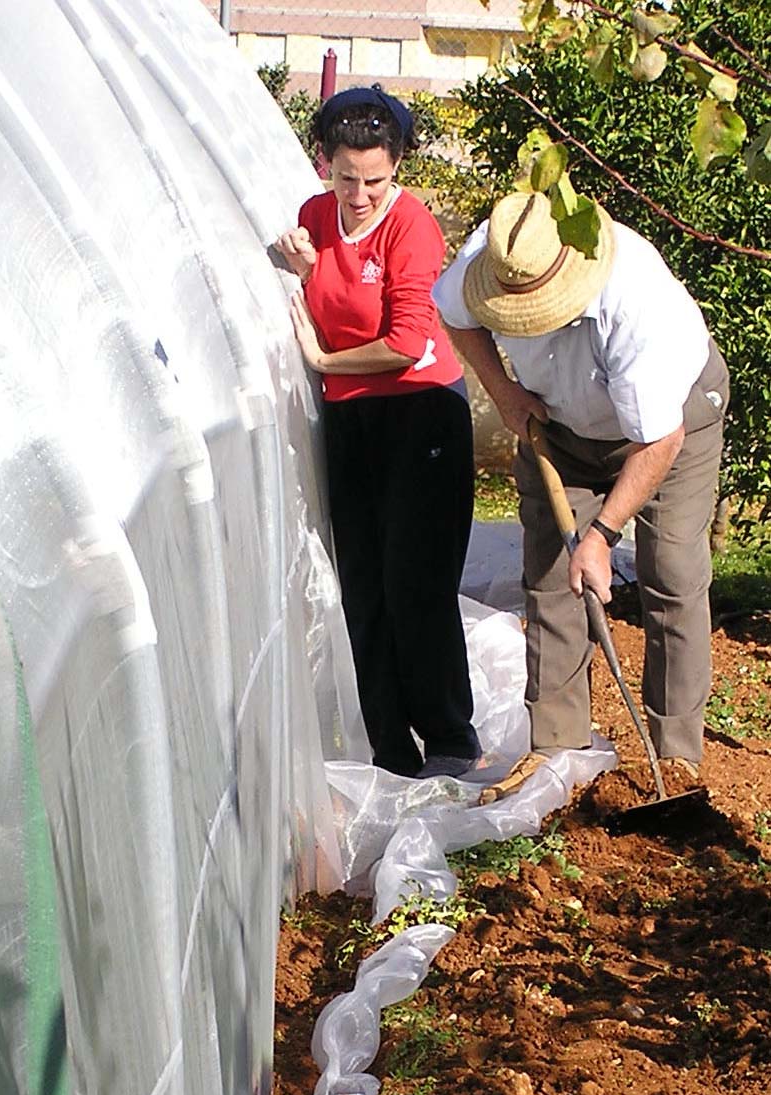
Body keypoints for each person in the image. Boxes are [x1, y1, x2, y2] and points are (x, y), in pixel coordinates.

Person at [432, 190, 728, 801]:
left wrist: (601, 536)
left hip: (671, 427)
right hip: (560, 428)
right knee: (549, 578)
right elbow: (456, 316)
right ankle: (557, 748)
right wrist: (506, 394)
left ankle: (674, 760)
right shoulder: (491, 258)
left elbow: (660, 440)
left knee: (670, 573)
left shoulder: (634, 303)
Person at [274, 85, 481, 779]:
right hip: (351, 415)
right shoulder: (314, 216)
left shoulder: (411, 227)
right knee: (362, 582)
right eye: (346, 178)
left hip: (419, 411)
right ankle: (392, 752)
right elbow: (323, 291)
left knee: (413, 581)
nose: (359, 195)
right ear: (324, 164)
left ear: (396, 169)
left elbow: (403, 340)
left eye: (375, 181)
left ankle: (450, 739)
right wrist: (303, 269)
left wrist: (326, 361)